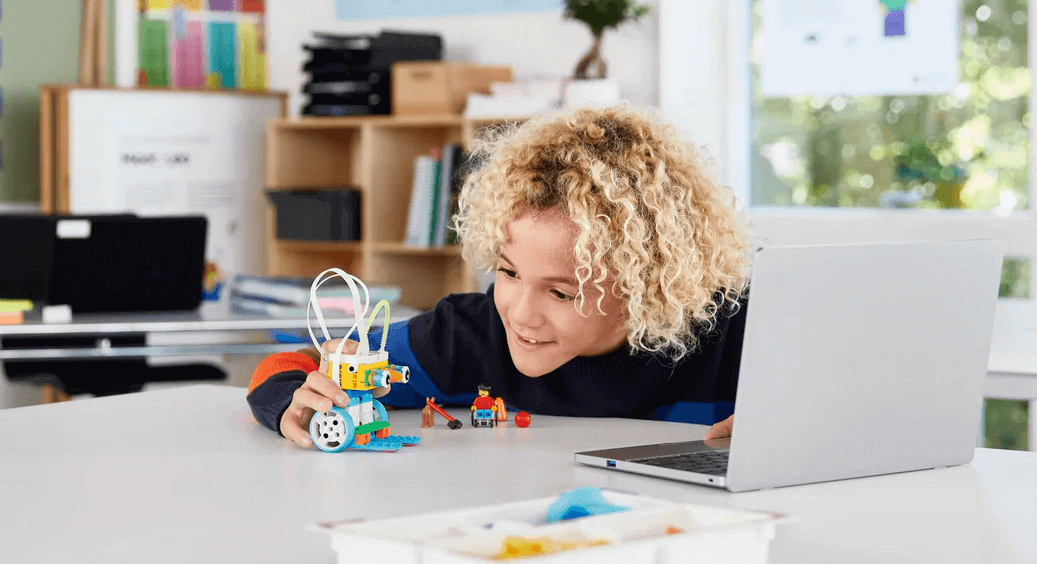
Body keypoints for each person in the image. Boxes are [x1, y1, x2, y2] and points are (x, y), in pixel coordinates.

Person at [247, 105, 750, 447]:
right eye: (509, 273)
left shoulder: (734, 330)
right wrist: (294, 397)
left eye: (560, 291)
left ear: (647, 288)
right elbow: (295, 364)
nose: (520, 313)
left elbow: (824, 405)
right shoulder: (468, 338)